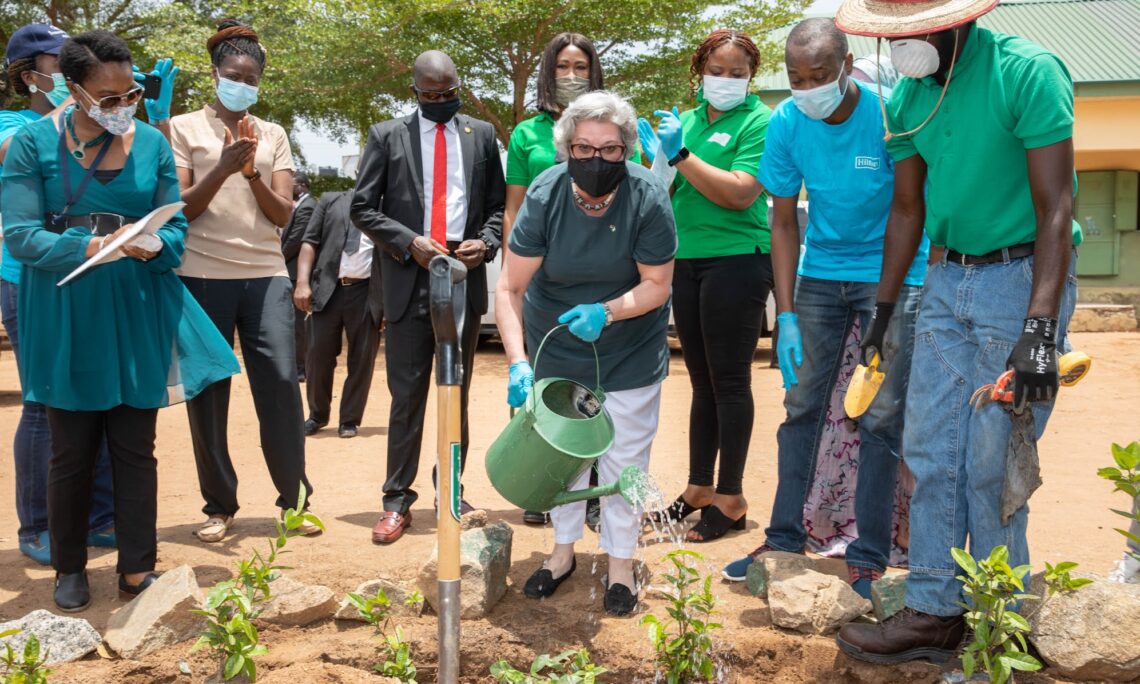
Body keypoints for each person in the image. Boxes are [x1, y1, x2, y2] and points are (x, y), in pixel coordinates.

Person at [833, 0, 1081, 662]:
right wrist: (883, 316)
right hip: (944, 281)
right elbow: (908, 208)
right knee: (932, 455)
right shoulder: (910, 96)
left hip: (1021, 279)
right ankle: (935, 609)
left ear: (958, 20)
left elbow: (1056, 207)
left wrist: (1039, 328)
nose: (906, 44)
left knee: (991, 463)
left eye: (917, 29)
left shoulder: (1027, 73)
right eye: (896, 34)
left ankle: (999, 622)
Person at [0, 30, 238, 611]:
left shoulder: (153, 145)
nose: (121, 106)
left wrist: (155, 245)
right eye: (108, 97)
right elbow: (21, 236)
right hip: (65, 307)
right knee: (70, 448)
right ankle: (70, 568)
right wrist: (96, 247)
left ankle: (137, 567)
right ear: (74, 91)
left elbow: (176, 224)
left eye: (128, 93)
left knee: (136, 445)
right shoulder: (32, 144)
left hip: (136, 304)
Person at [720, 19, 928, 599]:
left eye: (819, 76)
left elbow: (908, 210)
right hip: (821, 274)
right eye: (795, 77)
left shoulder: (891, 115)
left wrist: (886, 307)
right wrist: (784, 312)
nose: (807, 87)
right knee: (802, 405)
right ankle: (784, 536)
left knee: (881, 415)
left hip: (895, 272)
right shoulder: (787, 122)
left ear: (847, 64)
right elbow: (782, 221)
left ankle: (869, 553)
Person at [499, 91, 676, 616]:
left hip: (628, 346)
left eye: (610, 150)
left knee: (623, 461)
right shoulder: (546, 191)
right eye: (583, 148)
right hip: (555, 343)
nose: (596, 160)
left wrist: (608, 311)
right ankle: (561, 555)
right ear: (566, 149)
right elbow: (509, 287)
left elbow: (658, 285)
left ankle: (620, 564)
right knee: (563, 459)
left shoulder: (647, 195)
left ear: (627, 149)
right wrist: (517, 360)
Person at [170, 19, 318, 543]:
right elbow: (181, 209)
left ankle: (294, 500)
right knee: (208, 393)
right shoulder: (182, 129)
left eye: (251, 78)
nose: (243, 84)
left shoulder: (272, 134)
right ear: (215, 75)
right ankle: (219, 505)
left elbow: (282, 215)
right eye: (234, 74)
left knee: (280, 385)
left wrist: (251, 169)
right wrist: (224, 167)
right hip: (200, 275)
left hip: (264, 276)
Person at [351, 50, 505, 544]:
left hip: (462, 274)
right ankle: (397, 501)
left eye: (450, 93)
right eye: (432, 95)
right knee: (408, 397)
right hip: (408, 276)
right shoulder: (386, 135)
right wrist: (407, 241)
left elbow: (499, 206)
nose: (442, 101)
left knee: (455, 394)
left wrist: (489, 238)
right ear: (415, 92)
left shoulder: (480, 135)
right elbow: (361, 208)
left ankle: (452, 492)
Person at [638, 29, 773, 542]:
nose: (727, 80)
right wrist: (657, 161)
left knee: (731, 381)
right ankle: (698, 488)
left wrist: (680, 157)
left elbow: (740, 193)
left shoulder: (760, 120)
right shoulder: (686, 121)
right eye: (718, 70)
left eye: (738, 73)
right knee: (701, 382)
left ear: (750, 77)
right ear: (701, 72)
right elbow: (661, 191)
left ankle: (731, 496)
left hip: (738, 260)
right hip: (685, 260)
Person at [0, 22, 119, 566]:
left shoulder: (95, 124)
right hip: (31, 278)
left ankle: (98, 518)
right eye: (61, 62)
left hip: (95, 273)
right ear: (31, 76)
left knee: (94, 396)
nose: (72, 65)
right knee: (46, 402)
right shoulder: (12, 124)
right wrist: (81, 98)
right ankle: (38, 522)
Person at [504, 32, 606, 528]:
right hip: (541, 273)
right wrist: (513, 268)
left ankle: (590, 492)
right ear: (549, 73)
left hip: (601, 272)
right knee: (543, 380)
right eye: (563, 66)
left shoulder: (608, 127)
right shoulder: (527, 134)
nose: (572, 75)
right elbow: (514, 207)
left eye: (580, 66)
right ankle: (539, 482)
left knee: (592, 387)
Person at [293, 190, 383, 438]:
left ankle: (349, 420)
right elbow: (309, 242)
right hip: (328, 290)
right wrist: (302, 282)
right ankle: (317, 415)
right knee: (317, 355)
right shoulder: (330, 200)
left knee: (362, 359)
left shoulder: (388, 206)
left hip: (367, 292)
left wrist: (387, 304)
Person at [282, 170, 315, 382]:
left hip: (296, 273)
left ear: (301, 185)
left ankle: (300, 369)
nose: (288, 186)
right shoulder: (300, 205)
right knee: (292, 324)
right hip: (290, 271)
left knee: (298, 326)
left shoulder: (309, 206)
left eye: (291, 183)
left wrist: (277, 258)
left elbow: (296, 239)